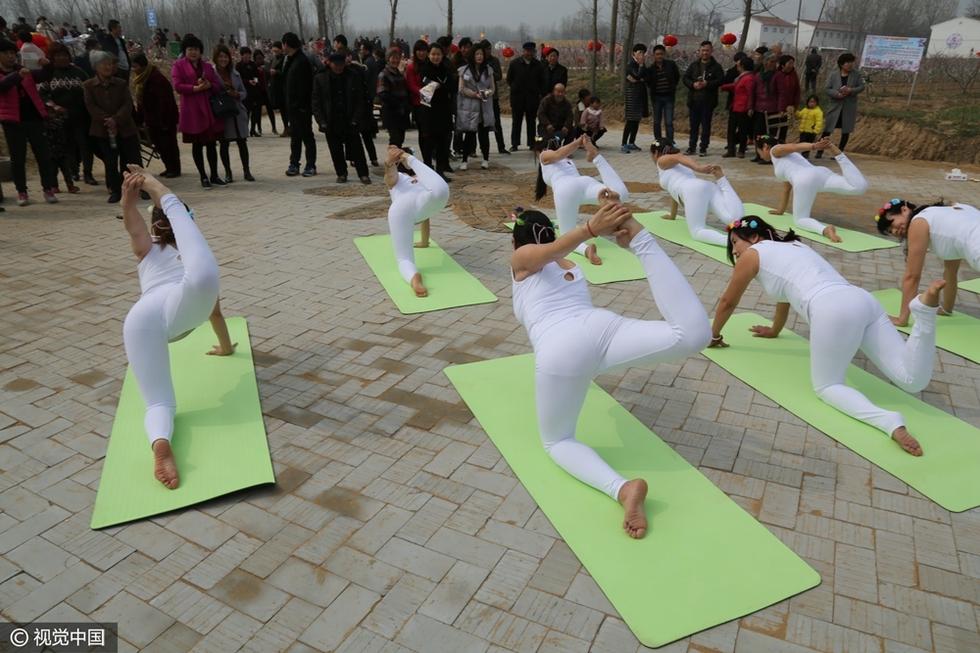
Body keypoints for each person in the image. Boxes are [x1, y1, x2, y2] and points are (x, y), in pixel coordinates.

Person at [511, 203, 712, 538]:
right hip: (602, 328)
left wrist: (590, 229)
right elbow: (555, 249)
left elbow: (540, 251)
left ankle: (622, 489)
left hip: (563, 349)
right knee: (691, 336)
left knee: (557, 441)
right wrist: (593, 234)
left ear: (516, 243)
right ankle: (644, 242)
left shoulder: (520, 260)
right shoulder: (570, 263)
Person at [710, 216, 945, 457]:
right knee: (912, 380)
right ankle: (924, 313)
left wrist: (713, 335)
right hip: (862, 300)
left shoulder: (752, 255)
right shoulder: (794, 246)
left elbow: (729, 301)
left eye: (735, 242)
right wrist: (775, 329)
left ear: (753, 237)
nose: (734, 251)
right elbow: (785, 295)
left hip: (832, 309)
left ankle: (889, 422)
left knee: (828, 386)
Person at [119, 166, 234, 490]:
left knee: (159, 403)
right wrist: (225, 347)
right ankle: (161, 191)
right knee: (204, 277)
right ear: (189, 222)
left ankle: (160, 442)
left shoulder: (147, 250)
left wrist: (128, 204)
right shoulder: (190, 252)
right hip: (180, 307)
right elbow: (215, 313)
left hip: (141, 318)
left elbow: (134, 230)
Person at [875, 199, 980, 326]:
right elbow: (950, 271)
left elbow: (912, 276)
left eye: (892, 224)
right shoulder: (946, 215)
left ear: (904, 210)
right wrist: (947, 309)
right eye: (890, 231)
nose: (895, 231)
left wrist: (902, 319)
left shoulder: (919, 222)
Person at [534, 134, 630, 265]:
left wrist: (577, 142)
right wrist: (577, 144)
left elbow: (557, 154)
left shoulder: (544, 154)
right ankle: (597, 157)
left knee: (566, 237)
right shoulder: (565, 159)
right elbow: (559, 154)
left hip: (567, 188)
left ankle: (586, 250)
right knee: (619, 195)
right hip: (584, 183)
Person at [760, 135, 865, 242]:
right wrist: (780, 210)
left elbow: (794, 146)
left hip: (805, 180)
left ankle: (825, 230)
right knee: (856, 187)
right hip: (819, 173)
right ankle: (836, 152)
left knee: (800, 220)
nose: (760, 155)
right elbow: (787, 189)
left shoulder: (775, 150)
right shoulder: (785, 160)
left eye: (759, 151)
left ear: (765, 147)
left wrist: (814, 146)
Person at [384, 146, 450, 297]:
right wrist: (389, 163)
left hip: (421, 204)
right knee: (404, 258)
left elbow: (426, 217)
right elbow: (390, 179)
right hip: (401, 211)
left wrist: (424, 242)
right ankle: (414, 278)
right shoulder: (399, 177)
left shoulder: (424, 180)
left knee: (440, 191)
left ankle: (414, 278)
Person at [0, 38, 58, 205]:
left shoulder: (24, 70)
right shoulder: (13, 74)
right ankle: (22, 192)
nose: (11, 57)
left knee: (44, 156)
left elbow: (43, 76)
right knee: (18, 158)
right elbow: (3, 86)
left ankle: (48, 189)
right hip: (12, 121)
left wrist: (47, 65)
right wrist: (17, 76)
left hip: (34, 118)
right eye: (6, 53)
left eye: (12, 53)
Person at [652, 141, 742, 246]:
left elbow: (679, 157)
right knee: (732, 220)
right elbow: (673, 192)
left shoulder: (661, 160)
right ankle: (721, 179)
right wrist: (672, 215)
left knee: (697, 232)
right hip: (705, 186)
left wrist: (698, 168)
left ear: (656, 153)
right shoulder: (673, 166)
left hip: (693, 191)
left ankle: (734, 243)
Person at [83, 50, 140, 203]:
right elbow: (91, 107)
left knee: (131, 160)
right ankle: (116, 190)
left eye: (110, 64)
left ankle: (136, 188)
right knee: (110, 161)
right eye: (104, 64)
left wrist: (116, 119)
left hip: (125, 127)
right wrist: (107, 120)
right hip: (103, 130)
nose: (109, 67)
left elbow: (127, 104)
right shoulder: (88, 86)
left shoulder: (121, 83)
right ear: (96, 67)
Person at [171, 34, 225, 189]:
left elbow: (217, 84)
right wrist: (194, 88)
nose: (193, 52)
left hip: (207, 109)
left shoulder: (207, 66)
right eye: (190, 49)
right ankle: (203, 176)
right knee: (197, 145)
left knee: (211, 144)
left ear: (200, 51)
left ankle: (214, 175)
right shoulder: (178, 66)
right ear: (185, 51)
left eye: (196, 49)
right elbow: (177, 85)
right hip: (192, 111)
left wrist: (208, 85)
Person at [312, 52, 371, 184]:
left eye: (341, 64)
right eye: (336, 65)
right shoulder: (320, 78)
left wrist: (357, 118)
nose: (339, 67)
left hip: (350, 118)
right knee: (335, 150)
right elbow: (316, 102)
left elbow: (359, 99)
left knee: (357, 149)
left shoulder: (353, 76)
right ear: (329, 63)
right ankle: (341, 173)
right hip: (331, 120)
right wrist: (321, 121)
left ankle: (363, 174)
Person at [37, 42, 89, 193]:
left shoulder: (78, 71)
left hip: (81, 115)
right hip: (59, 119)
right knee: (67, 147)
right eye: (58, 56)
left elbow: (89, 88)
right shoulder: (47, 74)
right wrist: (54, 106)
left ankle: (88, 173)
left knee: (84, 144)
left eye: (65, 55)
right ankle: (73, 172)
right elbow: (42, 94)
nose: (62, 58)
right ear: (52, 58)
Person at [131, 52, 180, 178]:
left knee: (168, 145)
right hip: (153, 120)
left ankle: (173, 168)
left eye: (135, 66)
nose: (133, 70)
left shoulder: (156, 79)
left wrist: (163, 121)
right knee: (160, 145)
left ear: (142, 66)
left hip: (164, 120)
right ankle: (169, 167)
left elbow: (164, 102)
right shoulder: (143, 80)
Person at [213, 45, 253, 183]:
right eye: (221, 57)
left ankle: (247, 171)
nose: (223, 59)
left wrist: (236, 94)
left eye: (226, 57)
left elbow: (244, 92)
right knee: (224, 144)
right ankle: (228, 173)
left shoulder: (235, 73)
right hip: (223, 113)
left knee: (242, 142)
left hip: (237, 111)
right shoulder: (212, 74)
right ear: (216, 58)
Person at [281, 32, 317, 177]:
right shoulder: (290, 60)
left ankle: (311, 164)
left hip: (302, 108)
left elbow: (305, 87)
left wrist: (301, 106)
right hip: (293, 107)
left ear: (286, 44)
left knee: (307, 136)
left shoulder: (302, 61)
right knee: (295, 137)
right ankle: (294, 163)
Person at [416, 42, 453, 179]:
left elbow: (451, 86)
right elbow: (425, 92)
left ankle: (440, 171)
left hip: (444, 111)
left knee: (443, 144)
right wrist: (438, 86)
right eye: (433, 54)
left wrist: (439, 86)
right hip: (429, 112)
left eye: (438, 54)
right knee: (428, 144)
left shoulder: (446, 69)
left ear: (442, 55)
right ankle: (427, 171)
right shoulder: (424, 70)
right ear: (428, 55)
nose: (435, 57)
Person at [682, 40, 723, 157]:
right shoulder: (694, 65)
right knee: (693, 126)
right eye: (703, 50)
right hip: (694, 100)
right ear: (699, 51)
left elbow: (720, 80)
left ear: (711, 51)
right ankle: (691, 147)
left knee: (706, 125)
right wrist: (692, 84)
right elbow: (685, 78)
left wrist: (707, 84)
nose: (705, 53)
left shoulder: (716, 67)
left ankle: (703, 147)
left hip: (708, 101)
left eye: (707, 50)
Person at [456, 46, 495, 171]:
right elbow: (461, 89)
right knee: (469, 134)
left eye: (481, 54)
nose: (479, 56)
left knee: (484, 134)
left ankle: (485, 159)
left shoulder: (488, 70)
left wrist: (487, 93)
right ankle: (465, 160)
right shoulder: (464, 70)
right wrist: (474, 94)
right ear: (472, 55)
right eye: (477, 54)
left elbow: (493, 88)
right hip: (470, 106)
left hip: (484, 105)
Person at [819, 52, 863, 156]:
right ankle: (819, 150)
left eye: (852, 62)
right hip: (835, 105)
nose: (850, 65)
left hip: (848, 106)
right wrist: (837, 94)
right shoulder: (834, 74)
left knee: (845, 130)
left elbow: (861, 87)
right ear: (842, 64)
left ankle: (839, 152)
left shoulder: (856, 74)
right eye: (848, 62)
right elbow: (827, 88)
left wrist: (850, 90)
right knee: (827, 129)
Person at [507, 41, 546, 151]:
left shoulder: (538, 65)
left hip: (532, 98)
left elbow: (542, 81)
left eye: (531, 51)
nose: (529, 53)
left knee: (531, 121)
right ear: (523, 51)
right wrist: (515, 87)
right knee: (516, 121)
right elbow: (509, 79)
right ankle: (515, 144)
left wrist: (538, 92)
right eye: (526, 51)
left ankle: (531, 143)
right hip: (517, 97)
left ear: (534, 52)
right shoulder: (514, 63)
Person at [720, 57, 755, 159]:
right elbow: (736, 86)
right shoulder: (742, 77)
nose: (737, 66)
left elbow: (750, 93)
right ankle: (731, 150)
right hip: (735, 107)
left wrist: (750, 107)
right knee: (731, 129)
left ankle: (741, 150)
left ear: (742, 66)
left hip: (743, 108)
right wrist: (723, 87)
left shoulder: (749, 78)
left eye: (738, 65)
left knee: (742, 130)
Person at [646, 44, 679, 147]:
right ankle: (658, 141)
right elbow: (648, 82)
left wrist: (672, 87)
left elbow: (677, 77)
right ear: (654, 55)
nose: (659, 56)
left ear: (664, 54)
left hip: (669, 97)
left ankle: (670, 142)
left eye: (661, 54)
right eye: (657, 54)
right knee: (656, 122)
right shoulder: (651, 68)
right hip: (656, 98)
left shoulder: (671, 65)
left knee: (669, 121)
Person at [752, 53, 781, 163]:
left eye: (775, 62)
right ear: (765, 62)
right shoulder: (758, 75)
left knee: (770, 135)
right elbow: (753, 92)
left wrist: (781, 108)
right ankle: (759, 154)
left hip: (773, 109)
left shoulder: (777, 76)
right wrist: (751, 106)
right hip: (759, 108)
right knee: (758, 134)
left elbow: (781, 93)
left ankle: (769, 157)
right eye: (771, 61)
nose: (774, 64)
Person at [377, 47, 410, 146]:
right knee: (395, 139)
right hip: (391, 112)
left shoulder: (399, 73)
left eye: (397, 58)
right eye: (393, 58)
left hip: (402, 112)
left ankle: (397, 159)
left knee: (400, 139)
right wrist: (397, 103)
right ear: (388, 59)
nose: (395, 60)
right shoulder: (384, 74)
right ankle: (393, 160)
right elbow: (382, 93)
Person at [483, 39, 510, 155]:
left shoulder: (494, 61)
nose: (488, 51)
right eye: (485, 49)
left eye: (489, 49)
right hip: (481, 97)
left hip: (493, 96)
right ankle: (476, 149)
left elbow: (499, 76)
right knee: (480, 124)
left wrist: (490, 73)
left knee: (497, 122)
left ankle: (501, 147)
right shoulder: (478, 60)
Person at [621, 44, 648, 154]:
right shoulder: (630, 65)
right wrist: (641, 69)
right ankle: (623, 144)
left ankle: (632, 142)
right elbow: (637, 76)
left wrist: (640, 76)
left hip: (640, 94)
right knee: (630, 120)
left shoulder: (641, 65)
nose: (642, 55)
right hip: (632, 95)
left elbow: (645, 77)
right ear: (634, 53)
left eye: (643, 52)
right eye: (639, 52)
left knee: (636, 120)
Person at [236, 47, 262, 137]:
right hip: (245, 92)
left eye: (249, 55)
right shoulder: (238, 66)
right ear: (242, 55)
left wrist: (255, 81)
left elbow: (257, 75)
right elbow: (238, 79)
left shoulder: (253, 65)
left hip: (254, 91)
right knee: (245, 113)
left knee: (255, 112)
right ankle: (245, 130)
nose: (247, 57)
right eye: (245, 55)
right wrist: (248, 81)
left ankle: (253, 129)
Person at [774, 55, 800, 144]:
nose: (792, 65)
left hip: (789, 107)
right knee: (773, 127)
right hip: (776, 106)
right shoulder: (777, 75)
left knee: (784, 127)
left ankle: (781, 144)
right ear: (783, 65)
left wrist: (795, 105)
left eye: (793, 63)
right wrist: (779, 108)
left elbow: (797, 90)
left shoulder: (794, 75)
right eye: (789, 63)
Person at [267, 41, 287, 135]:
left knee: (286, 109)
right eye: (274, 51)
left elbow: (285, 72)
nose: (275, 52)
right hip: (276, 87)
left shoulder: (285, 59)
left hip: (283, 86)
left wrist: (277, 72)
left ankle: (289, 127)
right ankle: (286, 127)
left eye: (277, 50)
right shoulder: (274, 59)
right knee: (282, 109)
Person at [796, 94, 823, 158]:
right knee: (802, 143)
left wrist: (816, 131)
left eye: (813, 102)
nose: (811, 103)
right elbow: (799, 115)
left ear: (817, 103)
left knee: (808, 145)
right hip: (803, 131)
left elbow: (819, 122)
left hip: (811, 132)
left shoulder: (818, 112)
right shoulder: (805, 109)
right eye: (810, 101)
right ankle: (803, 155)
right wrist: (795, 111)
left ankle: (805, 156)